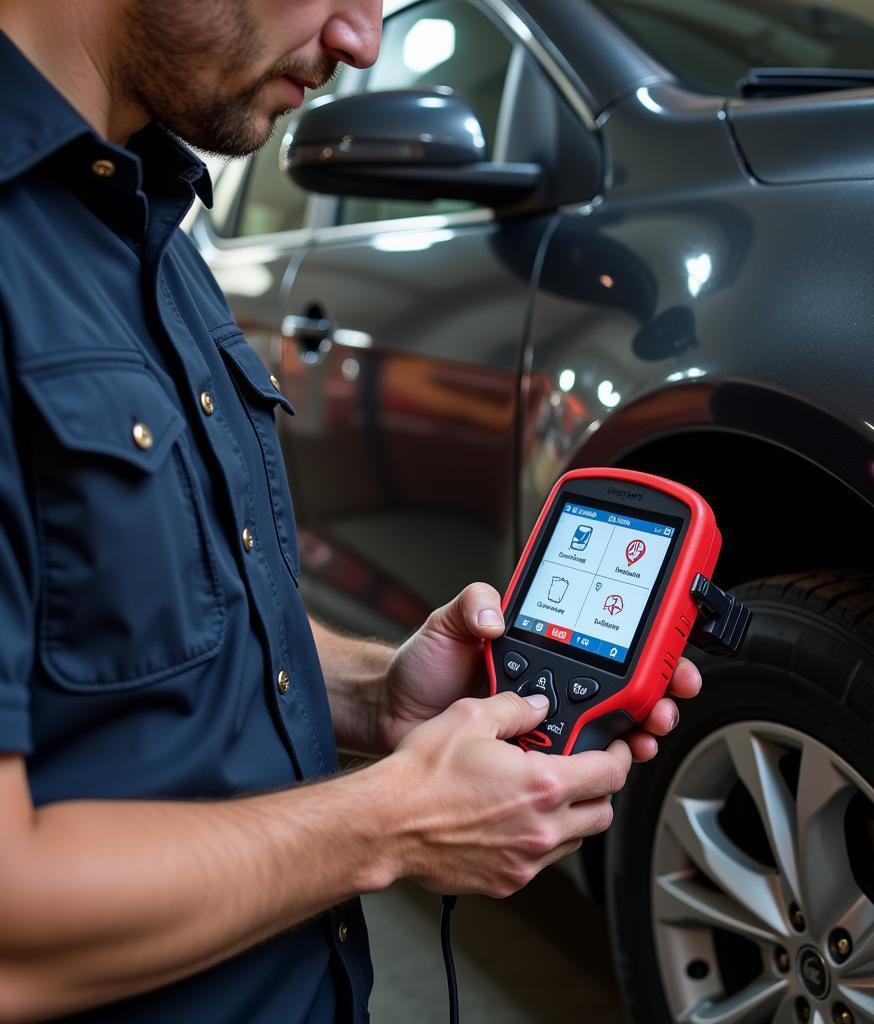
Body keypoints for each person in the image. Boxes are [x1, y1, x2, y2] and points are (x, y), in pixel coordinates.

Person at [0, 1, 703, 1022]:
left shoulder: (144, 219)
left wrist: (376, 694)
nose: (361, 40)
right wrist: (395, 821)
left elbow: (126, 614)